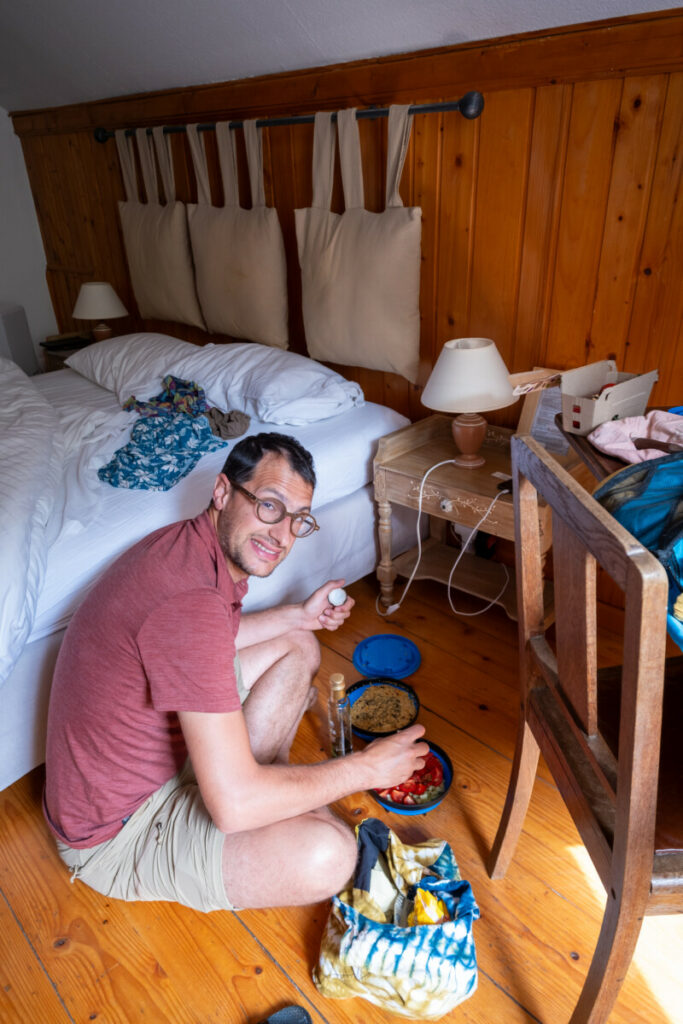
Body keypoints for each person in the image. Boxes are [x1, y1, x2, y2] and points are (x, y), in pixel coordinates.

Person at [43, 432, 427, 913]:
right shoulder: (187, 602)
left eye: (298, 520)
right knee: (330, 854)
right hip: (116, 834)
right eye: (269, 505)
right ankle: (263, 786)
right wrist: (365, 769)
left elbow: (210, 637)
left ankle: (266, 782)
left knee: (297, 644)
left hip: (164, 759)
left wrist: (299, 617)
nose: (282, 535)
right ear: (223, 492)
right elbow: (233, 808)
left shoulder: (192, 551)